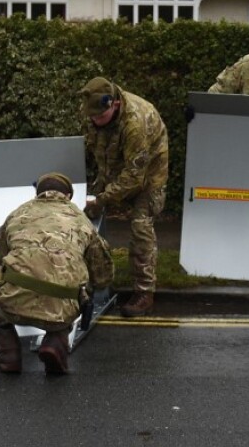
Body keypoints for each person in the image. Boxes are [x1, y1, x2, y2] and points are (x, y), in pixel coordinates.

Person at [0, 172, 114, 375]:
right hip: (62, 309)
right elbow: (103, 276)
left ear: (38, 193)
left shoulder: (18, 214)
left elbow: (1, 258)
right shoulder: (82, 222)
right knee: (81, 284)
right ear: (69, 196)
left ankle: (7, 351)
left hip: (13, 301)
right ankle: (56, 341)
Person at [79, 76, 169, 318]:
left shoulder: (136, 122)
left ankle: (144, 293)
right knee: (81, 219)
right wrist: (96, 193)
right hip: (113, 167)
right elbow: (95, 146)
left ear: (114, 104)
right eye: (92, 117)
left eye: (99, 117)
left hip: (147, 176)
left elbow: (134, 177)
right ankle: (87, 284)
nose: (95, 121)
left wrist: (102, 200)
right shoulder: (93, 106)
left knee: (141, 227)